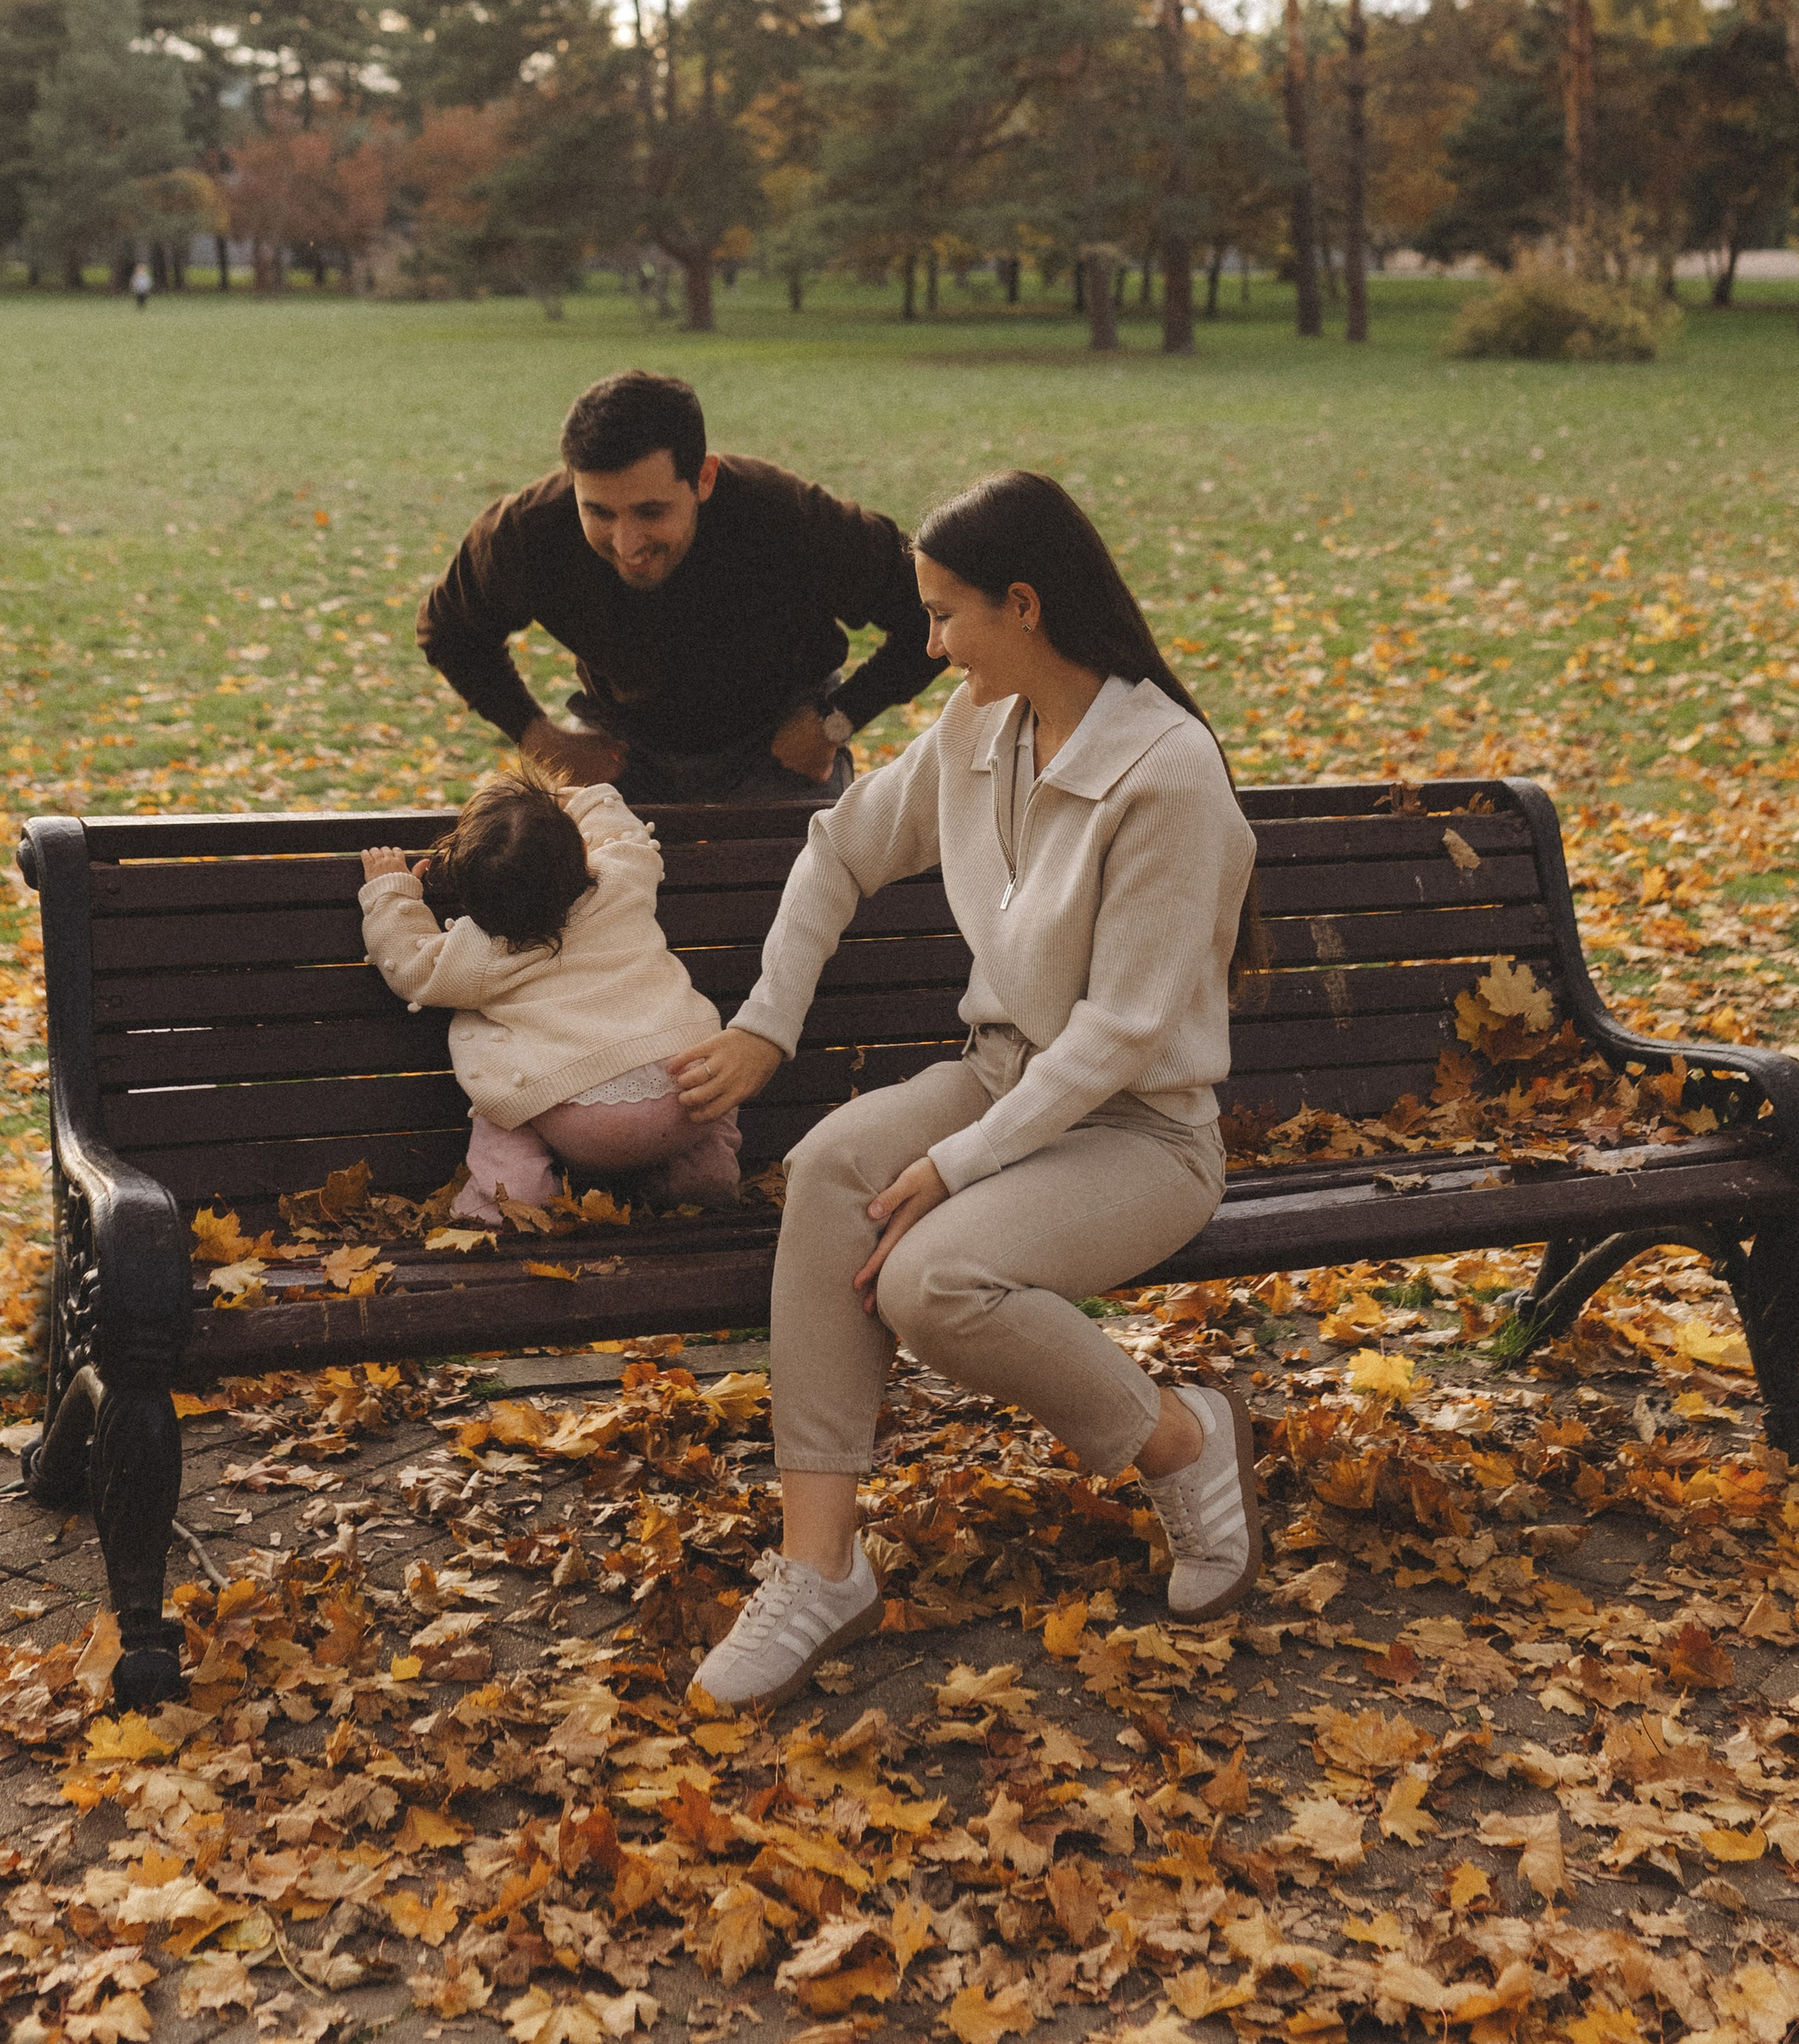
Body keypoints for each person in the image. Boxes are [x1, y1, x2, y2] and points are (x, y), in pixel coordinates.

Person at [668, 468, 1265, 1709]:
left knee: (935, 1283)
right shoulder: (978, 732)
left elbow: (1118, 1036)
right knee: (831, 1167)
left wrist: (955, 1165)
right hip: (1002, 1077)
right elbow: (837, 849)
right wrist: (768, 1022)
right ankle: (820, 1568)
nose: (930, 647)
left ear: (1024, 605)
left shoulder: (1167, 774)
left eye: (945, 616)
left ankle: (1180, 1438)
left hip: (1143, 1133)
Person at [416, 369, 941, 806]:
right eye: (599, 512)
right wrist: (541, 739)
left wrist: (836, 721)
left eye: (650, 512)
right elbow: (449, 631)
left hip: (781, 739)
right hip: (623, 747)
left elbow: (935, 607)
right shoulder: (526, 531)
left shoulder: (785, 515)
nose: (626, 543)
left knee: (798, 892)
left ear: (704, 478)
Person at [358, 770, 740, 1217]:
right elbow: (622, 832)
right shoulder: (623, 878)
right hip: (692, 1094)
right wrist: (581, 798)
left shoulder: (479, 952)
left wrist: (390, 892)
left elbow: (409, 963)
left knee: (507, 1101)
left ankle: (507, 1202)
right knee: (708, 1084)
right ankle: (702, 1173)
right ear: (582, 853)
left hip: (578, 1119)